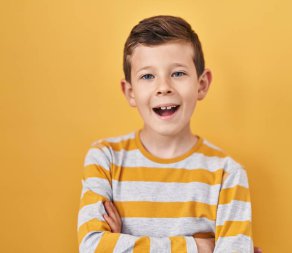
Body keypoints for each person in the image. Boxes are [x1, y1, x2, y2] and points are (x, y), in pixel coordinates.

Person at [77, 15, 262, 253]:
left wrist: (123, 242)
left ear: (202, 84)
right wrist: (199, 246)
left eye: (177, 73)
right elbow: (92, 247)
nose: (163, 87)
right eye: (147, 76)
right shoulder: (105, 158)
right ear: (130, 92)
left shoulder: (227, 174)